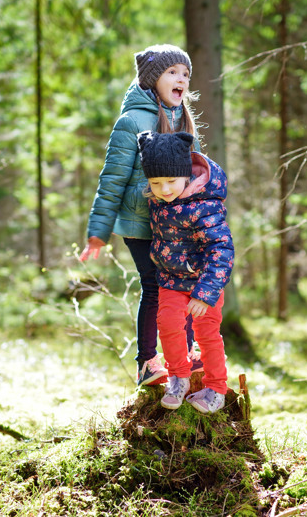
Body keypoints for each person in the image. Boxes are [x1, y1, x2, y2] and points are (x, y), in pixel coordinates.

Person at [79, 44, 202, 386]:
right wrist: (98, 233)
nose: (181, 79)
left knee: (187, 283)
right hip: (140, 224)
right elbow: (112, 182)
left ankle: (187, 354)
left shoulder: (184, 119)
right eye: (173, 72)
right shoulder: (131, 121)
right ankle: (147, 362)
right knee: (155, 286)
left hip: (176, 226)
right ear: (152, 79)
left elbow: (197, 173)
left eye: (185, 74)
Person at [137, 130, 234, 414]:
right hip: (170, 280)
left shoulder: (205, 205)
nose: (164, 189)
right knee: (166, 322)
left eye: (171, 181)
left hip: (203, 285)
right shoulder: (158, 201)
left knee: (207, 334)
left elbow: (222, 250)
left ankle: (216, 388)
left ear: (186, 176)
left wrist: (205, 295)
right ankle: (179, 377)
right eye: (156, 182)